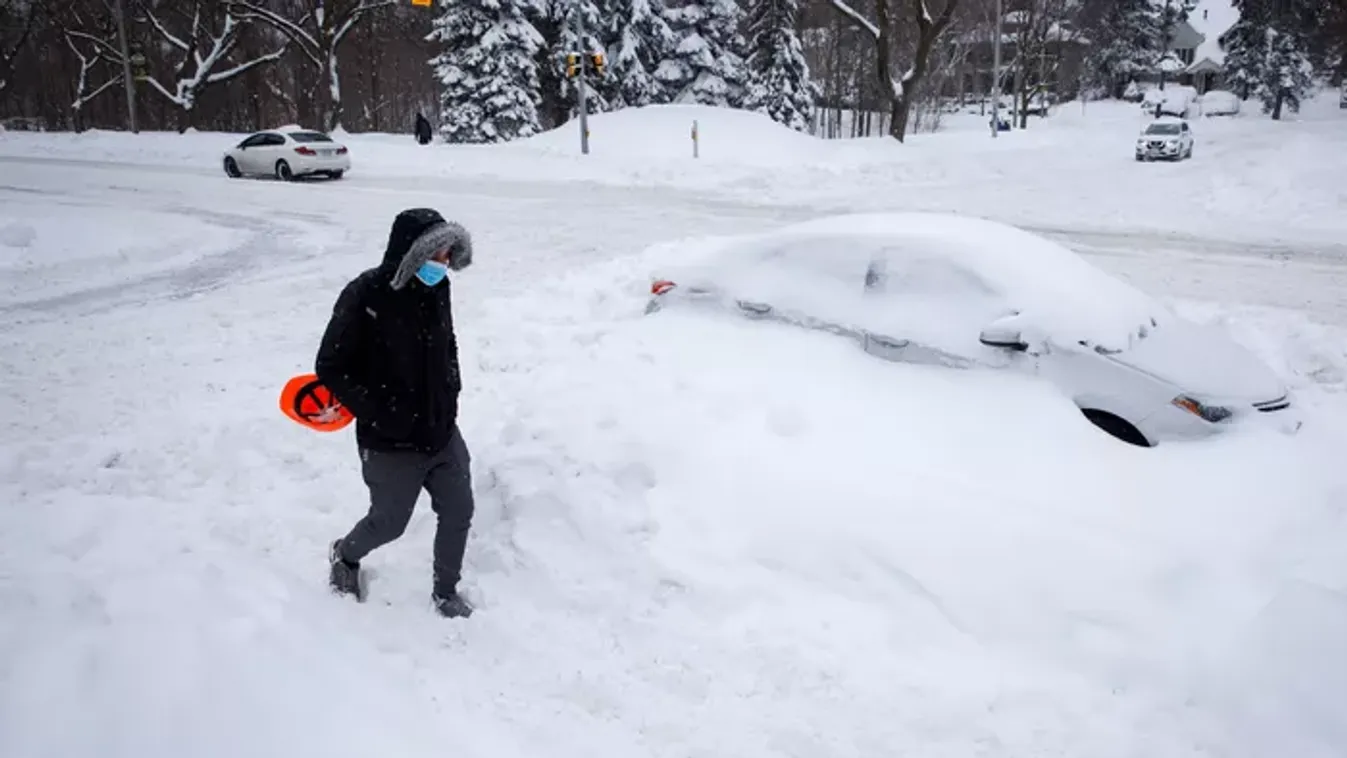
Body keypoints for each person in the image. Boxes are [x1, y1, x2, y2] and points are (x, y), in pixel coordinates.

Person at [315, 207, 476, 618]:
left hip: (441, 430)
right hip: (389, 441)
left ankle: (446, 591)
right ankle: (345, 554)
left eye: (447, 256)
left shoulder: (438, 289)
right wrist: (380, 412)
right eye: (436, 255)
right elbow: (331, 366)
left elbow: (448, 342)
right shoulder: (364, 294)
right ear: (411, 252)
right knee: (389, 523)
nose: (443, 265)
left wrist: (451, 387)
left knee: (459, 510)